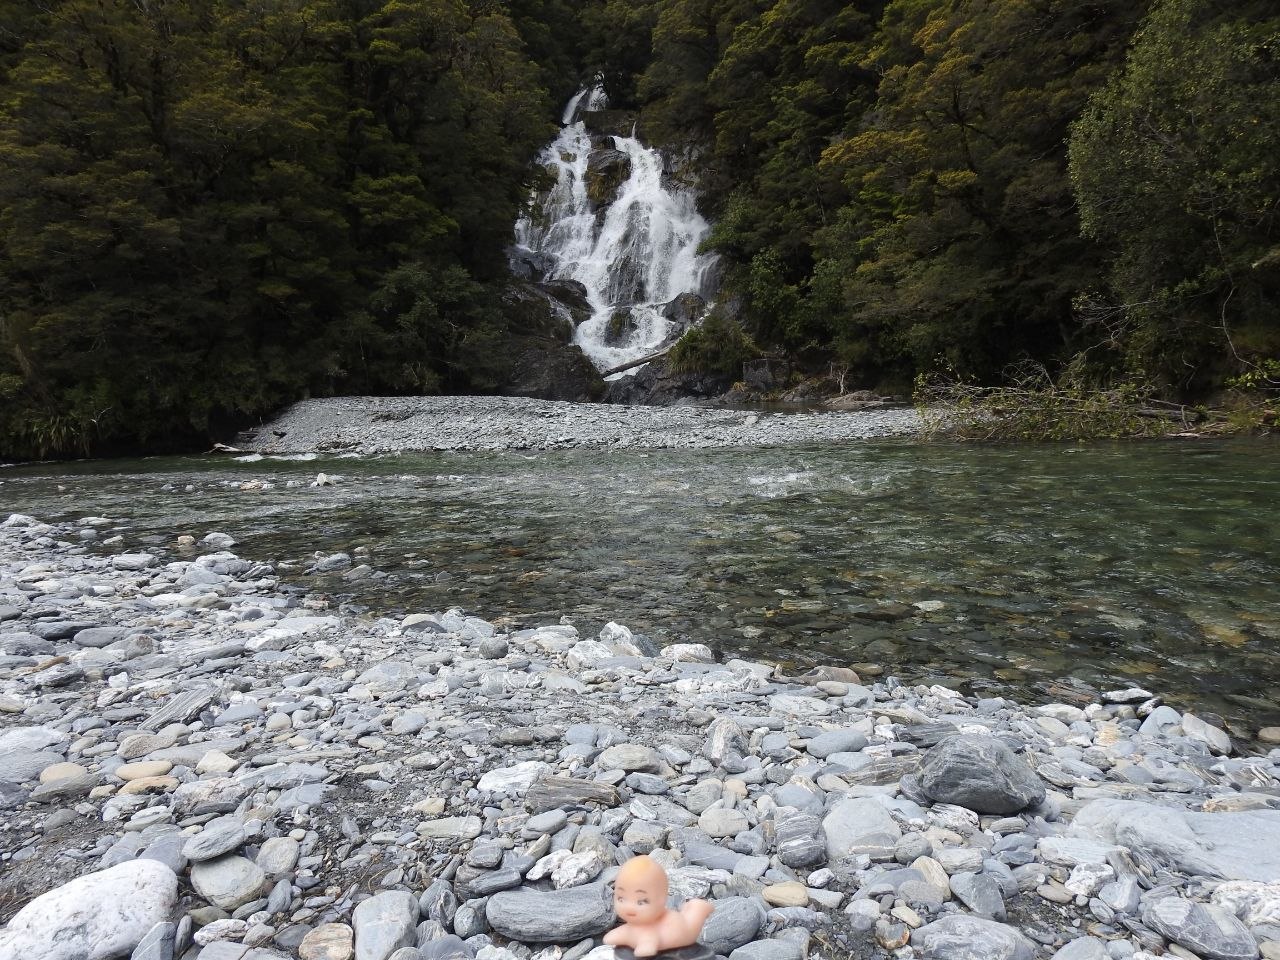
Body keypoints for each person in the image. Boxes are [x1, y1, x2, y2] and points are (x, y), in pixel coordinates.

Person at [604, 855, 714, 958]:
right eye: (621, 899)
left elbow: (649, 941)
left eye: (641, 902)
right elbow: (626, 932)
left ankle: (698, 908)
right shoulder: (632, 926)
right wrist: (617, 935)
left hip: (681, 930)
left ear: (662, 899)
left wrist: (645, 946)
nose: (629, 907)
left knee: (692, 923)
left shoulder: (650, 931)